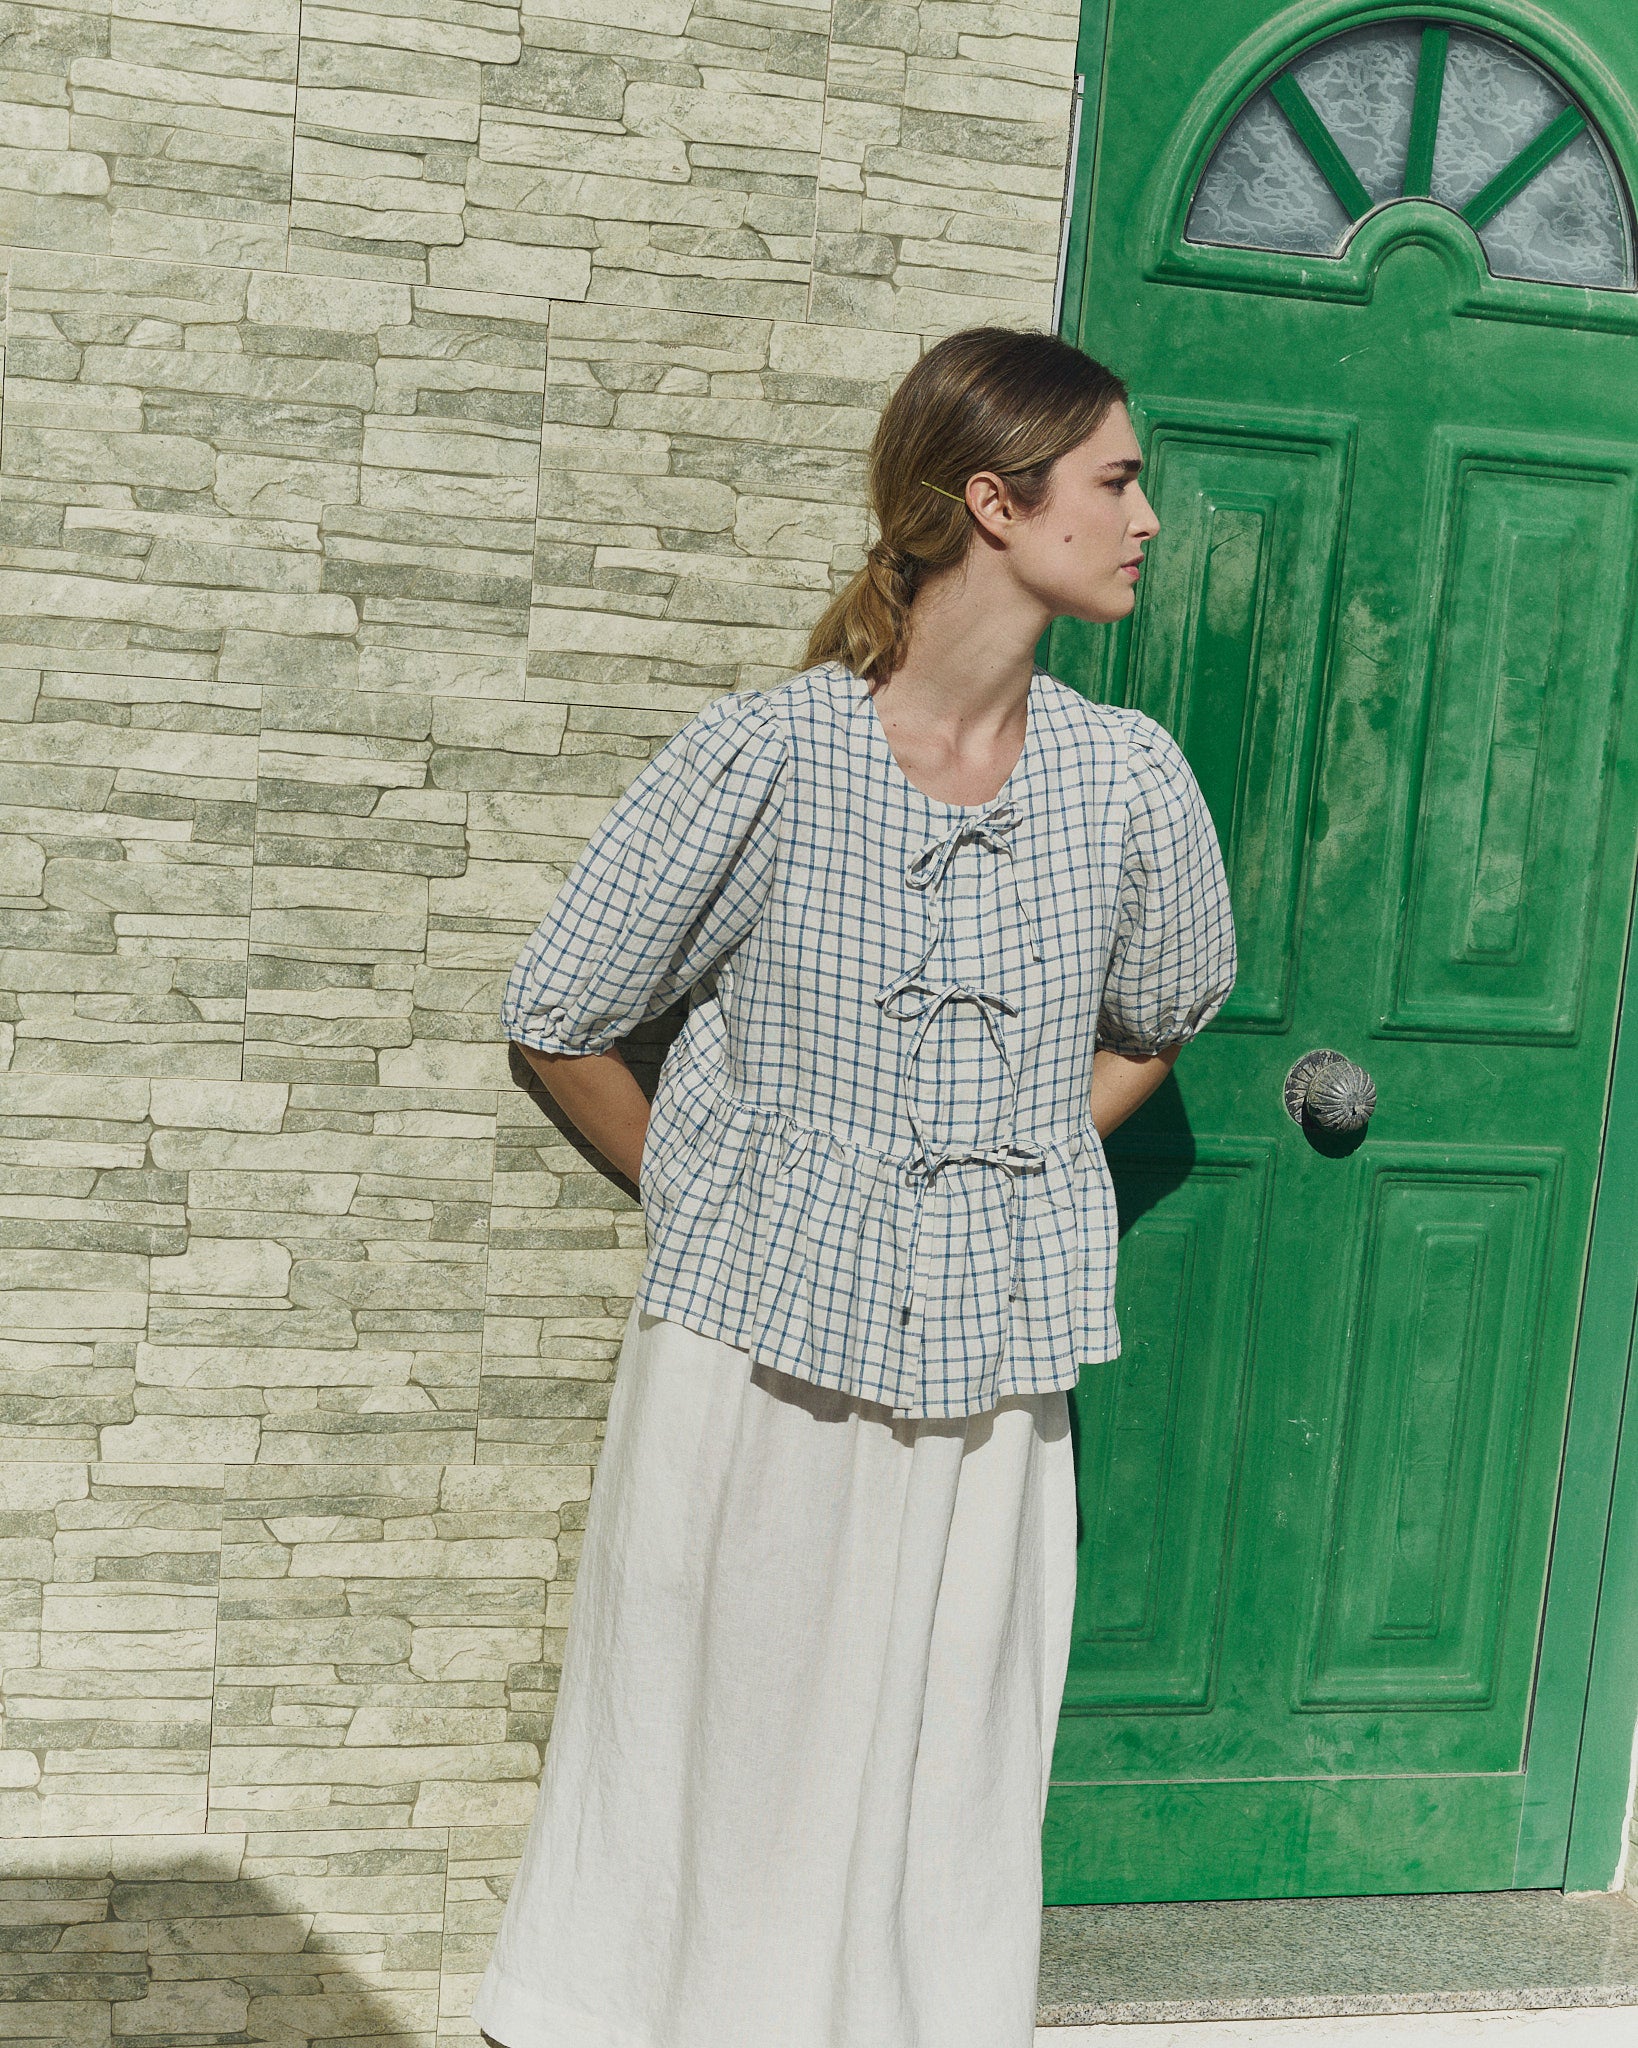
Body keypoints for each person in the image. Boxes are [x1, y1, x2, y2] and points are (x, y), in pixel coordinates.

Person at [471, 326, 1236, 2048]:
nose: (1145, 520)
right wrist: (717, 1197)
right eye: (1116, 481)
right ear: (994, 501)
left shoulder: (1127, 779)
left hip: (992, 1379)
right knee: (722, 1748)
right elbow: (560, 1014)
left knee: (945, 1767)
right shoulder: (767, 756)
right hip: (755, 1360)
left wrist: (1016, 1162)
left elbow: (1163, 1015)